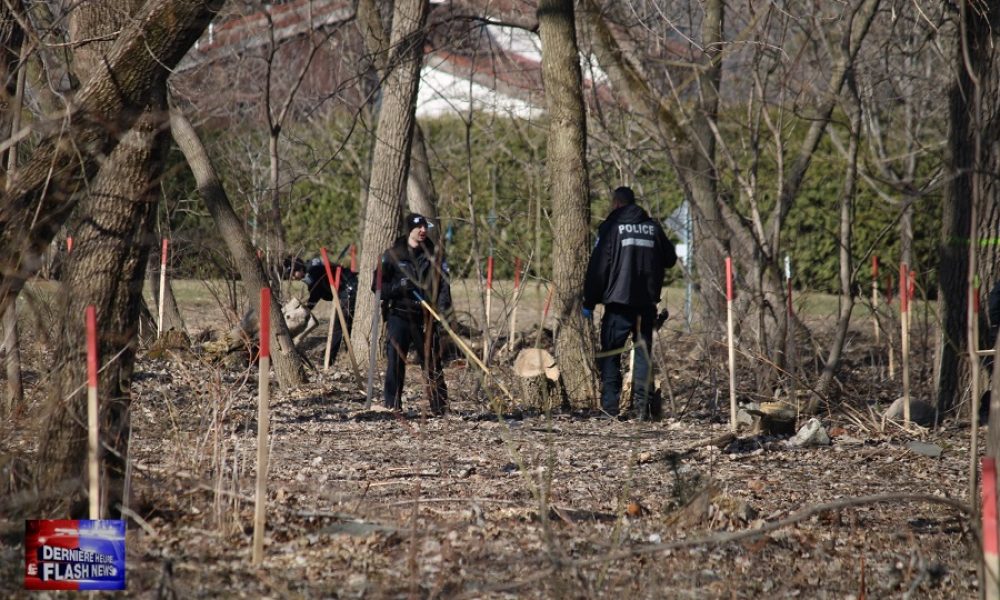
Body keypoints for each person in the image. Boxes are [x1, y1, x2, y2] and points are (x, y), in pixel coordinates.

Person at [583, 186, 677, 420]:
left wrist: (590, 301)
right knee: (643, 355)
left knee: (611, 354)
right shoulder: (653, 228)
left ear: (616, 203)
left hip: (618, 304)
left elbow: (598, 268)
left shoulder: (611, 228)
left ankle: (610, 408)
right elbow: (670, 259)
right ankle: (642, 409)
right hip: (646, 304)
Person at [376, 213, 451, 415]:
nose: (423, 231)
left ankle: (439, 406)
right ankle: (392, 405)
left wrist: (443, 313)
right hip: (399, 315)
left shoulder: (435, 256)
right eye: (419, 227)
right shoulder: (392, 255)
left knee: (432, 361)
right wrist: (398, 286)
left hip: (425, 317)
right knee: (395, 360)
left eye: (425, 228)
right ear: (409, 229)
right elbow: (377, 287)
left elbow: (444, 286)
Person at [288, 256, 358, 362]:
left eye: (293, 273)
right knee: (344, 325)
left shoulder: (313, 272)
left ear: (299, 269)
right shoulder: (315, 270)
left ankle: (329, 359)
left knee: (338, 325)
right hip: (346, 290)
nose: (293, 278)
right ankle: (343, 354)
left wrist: (300, 311)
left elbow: (311, 296)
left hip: (349, 290)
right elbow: (312, 298)